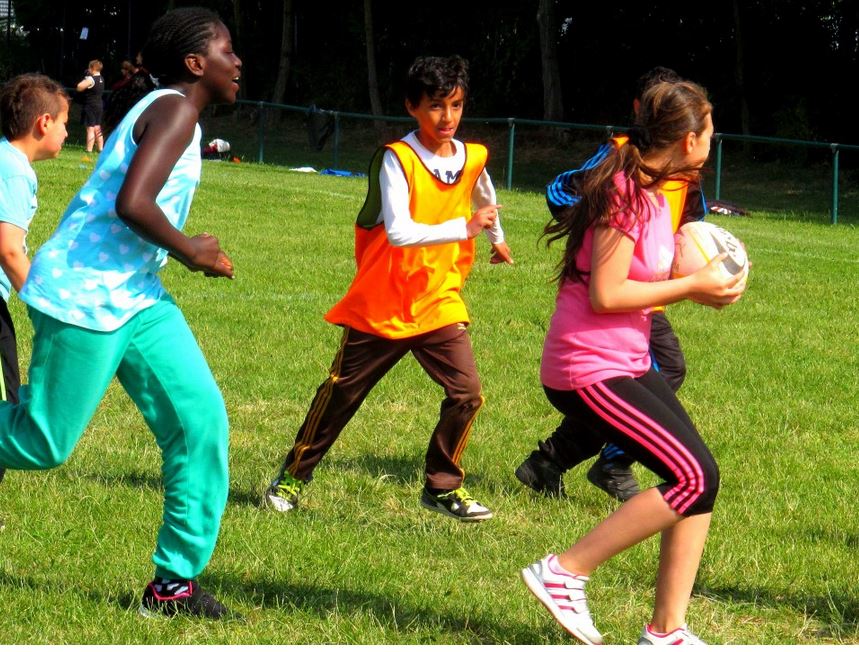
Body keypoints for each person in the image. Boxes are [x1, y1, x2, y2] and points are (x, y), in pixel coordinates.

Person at [0, 6, 240, 618]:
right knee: (40, 443)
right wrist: (193, 250)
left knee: (200, 422)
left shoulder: (166, 107)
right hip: (83, 297)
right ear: (195, 64)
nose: (236, 62)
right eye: (226, 51)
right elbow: (135, 202)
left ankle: (171, 588)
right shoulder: (177, 110)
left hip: (137, 297)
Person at [520, 80, 744, 645]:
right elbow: (606, 295)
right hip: (587, 368)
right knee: (695, 477)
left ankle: (667, 631)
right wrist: (692, 286)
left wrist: (698, 277)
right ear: (689, 139)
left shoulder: (652, 189)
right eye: (710, 131)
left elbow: (640, 276)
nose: (713, 141)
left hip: (623, 359)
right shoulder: (625, 191)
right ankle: (565, 571)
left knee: (698, 477)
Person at [264, 55, 513, 522]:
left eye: (456, 105)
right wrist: (466, 228)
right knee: (343, 394)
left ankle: (442, 487)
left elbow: (484, 195)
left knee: (468, 394)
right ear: (412, 107)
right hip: (384, 301)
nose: (448, 117)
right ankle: (293, 476)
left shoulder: (472, 155)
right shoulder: (397, 158)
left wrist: (497, 239)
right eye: (437, 106)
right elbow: (399, 233)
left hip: (438, 298)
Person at [515, 67, 707, 502]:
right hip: (609, 318)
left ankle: (563, 460)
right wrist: (595, 227)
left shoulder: (679, 180)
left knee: (693, 462)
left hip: (643, 299)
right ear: (684, 136)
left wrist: (699, 262)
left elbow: (693, 228)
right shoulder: (619, 170)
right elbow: (563, 192)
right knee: (691, 474)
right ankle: (607, 462)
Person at [0, 74, 69, 533]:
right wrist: (45, 308)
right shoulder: (14, 169)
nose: (68, 132)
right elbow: (7, 249)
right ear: (43, 123)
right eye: (66, 122)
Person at [76, 59, 105, 155]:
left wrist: (85, 78)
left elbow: (79, 87)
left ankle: (89, 150)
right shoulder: (101, 78)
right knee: (98, 127)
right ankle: (101, 148)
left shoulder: (90, 79)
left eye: (89, 67)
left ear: (92, 68)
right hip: (99, 105)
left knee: (90, 128)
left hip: (91, 105)